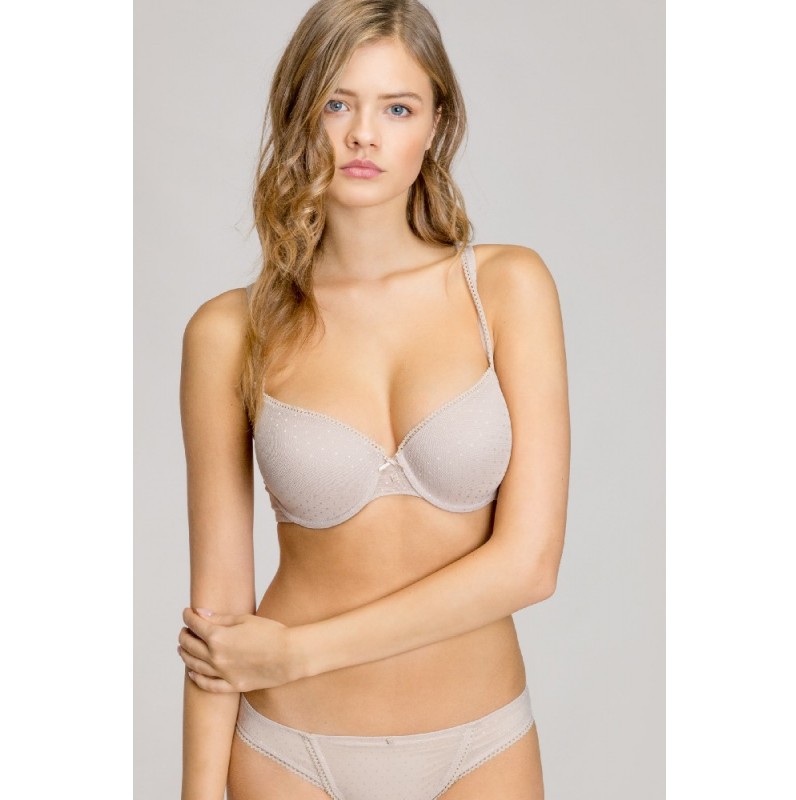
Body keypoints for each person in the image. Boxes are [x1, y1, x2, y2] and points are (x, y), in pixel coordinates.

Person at [176, 1, 570, 797]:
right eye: (337, 103)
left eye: (397, 108)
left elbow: (529, 566)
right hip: (289, 752)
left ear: (435, 125)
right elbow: (218, 613)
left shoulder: (507, 289)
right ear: (300, 114)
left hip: (481, 747)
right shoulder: (229, 332)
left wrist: (295, 652)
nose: (363, 134)